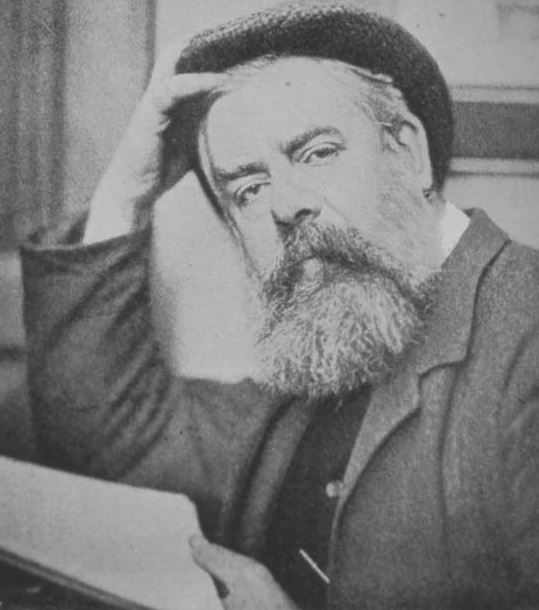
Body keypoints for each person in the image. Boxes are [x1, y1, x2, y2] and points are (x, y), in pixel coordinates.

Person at [21, 2, 539, 609]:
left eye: (317, 152)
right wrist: (127, 194)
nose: (285, 205)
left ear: (408, 152)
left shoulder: (526, 333)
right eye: (248, 188)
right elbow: (106, 437)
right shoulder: (318, 356)